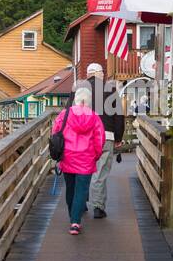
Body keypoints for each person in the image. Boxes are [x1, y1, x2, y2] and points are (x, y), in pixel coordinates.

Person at [52, 84, 105, 236]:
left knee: (70, 188)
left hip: (67, 157)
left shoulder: (64, 114)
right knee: (81, 191)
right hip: (86, 159)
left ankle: (72, 217)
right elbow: (99, 139)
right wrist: (96, 155)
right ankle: (75, 222)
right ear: (89, 101)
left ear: (75, 100)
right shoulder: (94, 117)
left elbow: (55, 133)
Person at [86, 62, 125, 220]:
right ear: (100, 74)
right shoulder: (110, 89)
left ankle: (80, 203)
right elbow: (118, 117)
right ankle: (98, 207)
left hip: (83, 138)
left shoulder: (78, 90)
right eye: (103, 73)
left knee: (82, 170)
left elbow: (69, 113)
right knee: (100, 172)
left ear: (88, 74)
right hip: (106, 136)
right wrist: (118, 138)